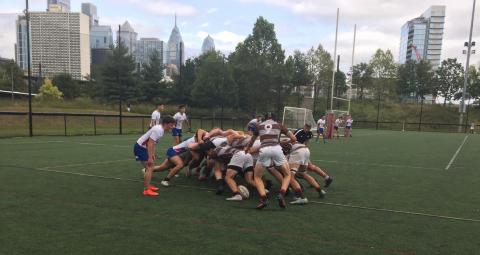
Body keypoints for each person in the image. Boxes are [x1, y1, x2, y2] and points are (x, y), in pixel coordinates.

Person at [245, 112, 297, 210]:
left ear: (265, 119)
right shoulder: (279, 125)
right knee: (287, 175)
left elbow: (251, 141)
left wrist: (247, 149)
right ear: (275, 118)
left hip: (264, 149)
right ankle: (281, 194)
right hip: (277, 149)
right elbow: (294, 138)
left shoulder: (259, 126)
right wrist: (284, 142)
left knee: (257, 177)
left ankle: (264, 199)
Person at [134, 116, 176, 197]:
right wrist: (150, 157)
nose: (172, 127)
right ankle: (146, 190)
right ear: (166, 124)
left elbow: (152, 143)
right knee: (150, 167)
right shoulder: (158, 130)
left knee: (150, 167)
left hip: (143, 148)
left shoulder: (161, 130)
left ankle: (148, 186)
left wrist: (152, 154)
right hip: (140, 148)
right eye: (171, 125)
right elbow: (150, 143)